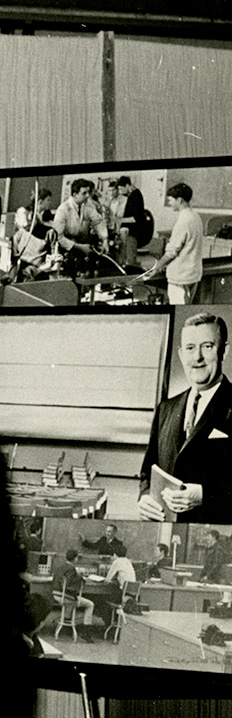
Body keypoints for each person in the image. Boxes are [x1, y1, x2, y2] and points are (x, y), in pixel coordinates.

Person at [139, 312, 232, 524]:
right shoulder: (166, 408)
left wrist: (204, 496)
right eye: (190, 348)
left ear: (223, 351)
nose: (197, 357)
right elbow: (147, 472)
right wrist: (144, 497)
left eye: (207, 346)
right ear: (181, 354)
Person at [142, 183, 203, 305]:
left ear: (179, 200)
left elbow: (171, 253)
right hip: (193, 274)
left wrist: (156, 268)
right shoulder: (195, 216)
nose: (169, 202)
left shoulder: (183, 221)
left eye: (170, 199)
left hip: (180, 277)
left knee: (178, 309)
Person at [53, 178, 108, 256]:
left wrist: (104, 239)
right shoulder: (63, 210)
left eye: (88, 192)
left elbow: (97, 222)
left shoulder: (88, 204)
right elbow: (58, 237)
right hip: (67, 248)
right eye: (84, 193)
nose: (88, 195)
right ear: (75, 194)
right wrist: (79, 247)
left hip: (84, 243)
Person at [53, 549, 96, 638]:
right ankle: (86, 632)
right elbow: (69, 586)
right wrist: (80, 578)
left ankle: (67, 621)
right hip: (65, 596)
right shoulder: (71, 569)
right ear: (75, 558)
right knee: (90, 604)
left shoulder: (60, 567)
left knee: (71, 601)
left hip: (56, 594)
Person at [115, 176, 151, 266]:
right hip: (128, 231)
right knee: (124, 256)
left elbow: (136, 218)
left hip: (133, 232)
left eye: (121, 188)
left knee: (130, 259)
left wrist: (118, 219)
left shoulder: (136, 195)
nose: (120, 191)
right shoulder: (131, 195)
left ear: (127, 185)